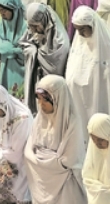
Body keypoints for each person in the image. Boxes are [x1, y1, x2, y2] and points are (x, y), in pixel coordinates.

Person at [23, 75, 87, 204]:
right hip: (40, 186)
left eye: (45, 100)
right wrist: (51, 158)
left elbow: (69, 160)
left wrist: (41, 158)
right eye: (39, 99)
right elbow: (28, 152)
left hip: (65, 189)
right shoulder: (39, 120)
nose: (41, 104)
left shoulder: (71, 122)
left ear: (58, 99)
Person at [66, 6, 110, 128]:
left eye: (82, 29)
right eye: (77, 29)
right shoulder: (79, 41)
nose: (79, 33)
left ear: (92, 25)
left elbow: (106, 80)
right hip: (77, 95)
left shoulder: (108, 46)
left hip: (95, 95)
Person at [20, 3, 70, 113]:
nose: (33, 30)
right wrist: (32, 50)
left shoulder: (60, 40)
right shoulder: (33, 29)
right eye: (31, 26)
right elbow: (25, 43)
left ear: (44, 20)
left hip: (53, 85)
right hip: (37, 79)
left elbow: (56, 65)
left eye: (36, 26)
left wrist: (39, 54)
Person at [0, 0, 27, 96]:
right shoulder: (1, 24)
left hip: (21, 70)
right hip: (5, 68)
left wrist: (10, 50)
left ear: (14, 9)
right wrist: (12, 50)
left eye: (4, 10)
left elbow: (27, 51)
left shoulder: (26, 26)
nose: (2, 13)